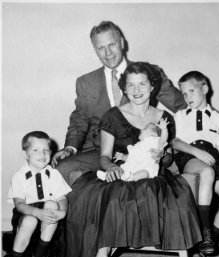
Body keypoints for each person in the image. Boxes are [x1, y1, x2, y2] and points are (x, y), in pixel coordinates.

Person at [65, 62, 203, 257]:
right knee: (113, 194)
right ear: (124, 89)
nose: (136, 90)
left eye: (142, 84)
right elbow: (105, 157)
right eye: (130, 85)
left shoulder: (164, 118)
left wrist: (163, 155)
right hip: (122, 171)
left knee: (132, 196)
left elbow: (168, 157)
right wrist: (112, 169)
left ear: (152, 87)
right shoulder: (113, 115)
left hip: (152, 176)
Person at [51, 20, 189, 184]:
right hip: (100, 151)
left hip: (141, 150)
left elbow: (182, 105)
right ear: (95, 50)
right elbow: (79, 118)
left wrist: (215, 124)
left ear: (122, 43)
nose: (107, 53)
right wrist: (69, 148)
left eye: (112, 44)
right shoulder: (86, 82)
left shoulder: (147, 73)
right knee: (61, 169)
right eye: (101, 48)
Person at [172, 71, 219, 257]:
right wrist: (196, 152)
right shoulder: (181, 115)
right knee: (207, 171)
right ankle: (205, 231)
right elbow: (176, 142)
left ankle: (208, 241)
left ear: (204, 88)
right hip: (189, 157)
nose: (187, 97)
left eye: (191, 91)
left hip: (212, 158)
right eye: (184, 93)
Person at [2, 131, 72, 257]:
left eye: (46, 150)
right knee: (30, 220)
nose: (42, 154)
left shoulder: (53, 174)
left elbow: (62, 197)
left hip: (48, 223)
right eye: (36, 150)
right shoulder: (19, 176)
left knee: (53, 203)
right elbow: (19, 204)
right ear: (25, 154)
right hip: (27, 213)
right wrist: (36, 213)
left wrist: (63, 212)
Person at [97, 119, 168, 182]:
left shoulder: (154, 141)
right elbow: (132, 156)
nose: (141, 129)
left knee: (144, 173)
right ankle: (109, 176)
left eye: (146, 128)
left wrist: (164, 129)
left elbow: (163, 140)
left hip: (146, 168)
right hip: (132, 167)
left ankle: (131, 178)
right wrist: (123, 157)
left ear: (153, 134)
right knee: (121, 169)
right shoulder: (138, 145)